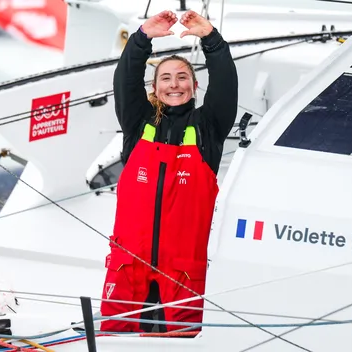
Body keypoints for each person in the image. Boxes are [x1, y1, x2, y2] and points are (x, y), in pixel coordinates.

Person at [99, 9, 238, 333]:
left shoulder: (209, 127)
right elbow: (125, 80)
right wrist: (143, 37)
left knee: (181, 342)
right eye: (166, 77)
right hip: (129, 268)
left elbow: (226, 83)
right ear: (155, 86)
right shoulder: (138, 123)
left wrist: (210, 40)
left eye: (181, 77)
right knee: (117, 341)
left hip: (182, 274)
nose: (174, 84)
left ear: (194, 85)